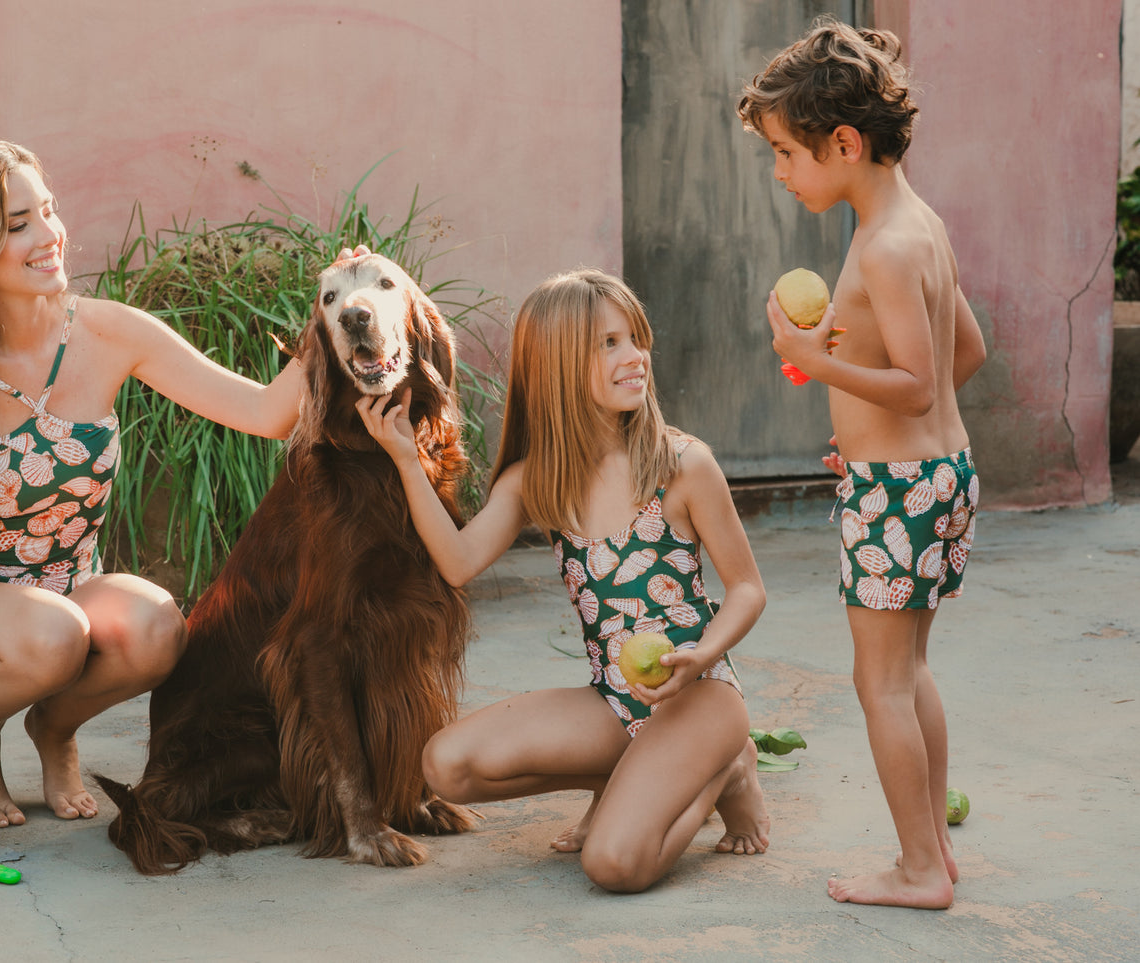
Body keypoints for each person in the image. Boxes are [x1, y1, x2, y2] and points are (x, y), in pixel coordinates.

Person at [0, 139, 313, 864]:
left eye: (47, 211)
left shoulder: (106, 332)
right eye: (19, 222)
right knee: (50, 632)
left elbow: (269, 412)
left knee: (156, 627)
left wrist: (340, 302)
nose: (49, 235)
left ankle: (52, 727)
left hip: (67, 592)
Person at [356, 269, 770, 894]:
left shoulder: (683, 464)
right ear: (556, 365)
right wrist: (405, 459)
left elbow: (747, 589)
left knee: (614, 865)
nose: (635, 357)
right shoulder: (535, 479)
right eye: (608, 344)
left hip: (701, 694)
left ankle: (728, 769)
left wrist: (703, 654)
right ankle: (630, 774)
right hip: (614, 701)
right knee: (446, 765)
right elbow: (460, 562)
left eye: (636, 339)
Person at [738, 17, 987, 909]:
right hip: (935, 478)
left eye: (784, 154)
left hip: (897, 495)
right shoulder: (920, 225)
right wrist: (861, 432)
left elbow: (917, 384)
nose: (779, 172)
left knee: (876, 680)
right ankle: (933, 851)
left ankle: (918, 868)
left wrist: (811, 359)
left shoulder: (880, 247)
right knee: (908, 669)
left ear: (842, 143)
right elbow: (968, 352)